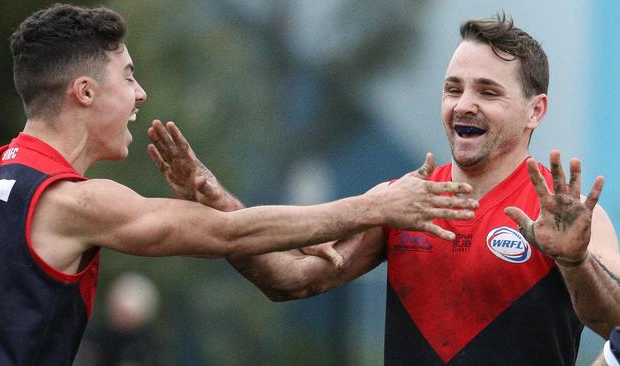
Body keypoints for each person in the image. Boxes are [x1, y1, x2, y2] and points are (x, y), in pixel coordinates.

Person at [0, 4, 480, 365]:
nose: (140, 92)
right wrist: (376, 206)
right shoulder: (73, 201)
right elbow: (228, 235)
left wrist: (215, 198)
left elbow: (231, 227)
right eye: (127, 76)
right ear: (84, 92)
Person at [149, 13, 620, 365]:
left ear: (535, 110)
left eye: (488, 92)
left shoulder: (569, 216)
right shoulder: (400, 198)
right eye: (453, 89)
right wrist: (213, 201)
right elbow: (291, 279)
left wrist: (574, 261)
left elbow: (613, 323)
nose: (464, 105)